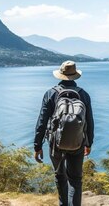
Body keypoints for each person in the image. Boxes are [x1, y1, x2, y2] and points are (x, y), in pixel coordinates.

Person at [34, 60, 94, 206]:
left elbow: (42, 122)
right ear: (75, 76)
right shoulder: (84, 95)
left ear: (60, 75)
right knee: (75, 180)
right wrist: (88, 143)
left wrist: (37, 146)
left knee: (60, 177)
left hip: (56, 144)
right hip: (78, 143)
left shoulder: (50, 94)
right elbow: (90, 122)